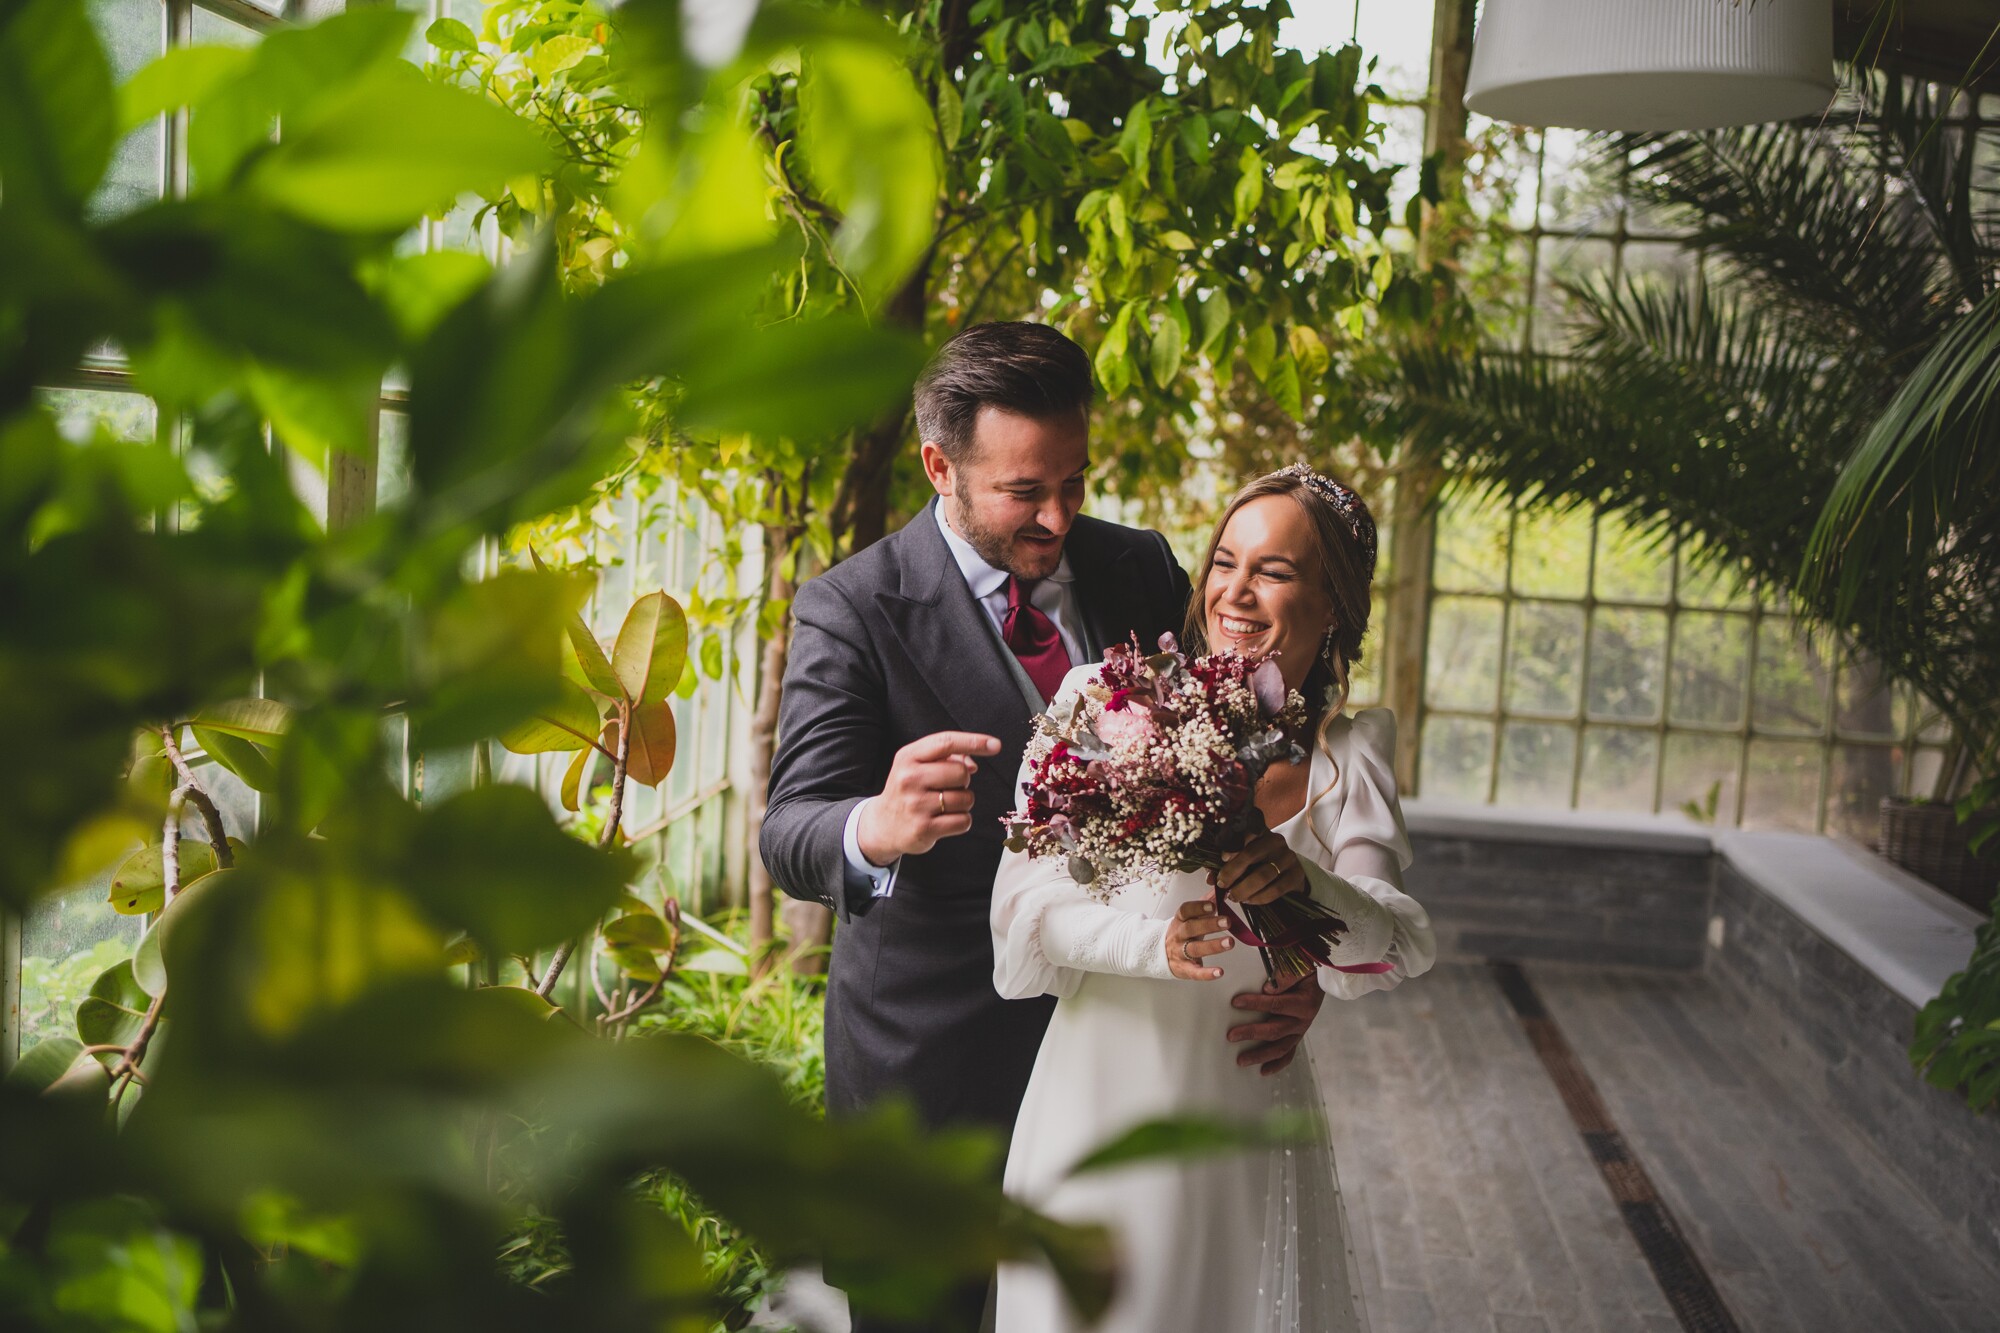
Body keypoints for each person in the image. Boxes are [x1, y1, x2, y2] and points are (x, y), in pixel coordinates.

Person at [759, 323, 1328, 1332]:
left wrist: (1292, 969)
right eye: (1025, 491)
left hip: (1121, 1048)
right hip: (930, 1068)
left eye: (1073, 480)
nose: (1058, 515)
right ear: (940, 465)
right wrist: (876, 825)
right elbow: (791, 829)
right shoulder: (851, 608)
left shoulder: (1141, 568)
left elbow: (1234, 794)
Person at [990, 465, 1437, 1333]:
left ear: (1334, 604)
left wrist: (1306, 891)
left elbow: (1395, 942)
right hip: (1098, 1102)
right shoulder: (1100, 703)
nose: (1235, 590)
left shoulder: (1351, 757)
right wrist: (1151, 947)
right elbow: (1024, 912)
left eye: (1274, 571)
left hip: (1244, 1120)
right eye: (1225, 561)